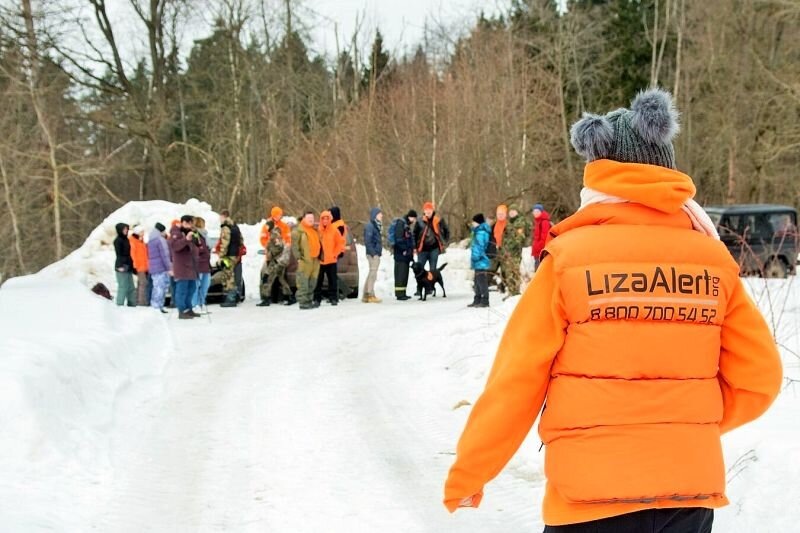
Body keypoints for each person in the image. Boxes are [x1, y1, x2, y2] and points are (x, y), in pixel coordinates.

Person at [444, 88, 783, 532]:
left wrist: (472, 470)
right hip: (686, 493)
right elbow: (760, 378)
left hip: (591, 497)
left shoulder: (568, 261)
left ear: (598, 174)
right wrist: (683, 426)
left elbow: (516, 379)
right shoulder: (713, 261)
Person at [169, 215, 199, 319]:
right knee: (181, 290)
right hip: (181, 266)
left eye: (191, 223)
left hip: (191, 266)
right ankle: (181, 310)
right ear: (183, 223)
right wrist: (186, 239)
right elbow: (175, 246)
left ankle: (188, 308)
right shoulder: (175, 233)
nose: (190, 226)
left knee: (192, 288)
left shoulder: (190, 232)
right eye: (188, 223)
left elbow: (195, 247)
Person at [315, 210, 346, 306]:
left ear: (329, 219)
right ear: (321, 219)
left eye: (327, 218)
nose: (325, 220)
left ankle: (333, 298)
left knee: (332, 280)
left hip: (331, 260)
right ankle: (317, 299)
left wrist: (335, 254)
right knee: (318, 281)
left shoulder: (334, 230)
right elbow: (314, 243)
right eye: (323, 218)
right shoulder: (317, 230)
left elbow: (339, 243)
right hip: (320, 260)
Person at [414, 201, 450, 281]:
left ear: (433, 210)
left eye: (430, 209)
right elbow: (414, 234)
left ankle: (430, 288)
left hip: (434, 249)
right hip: (422, 249)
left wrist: (445, 241)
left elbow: (447, 231)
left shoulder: (438, 220)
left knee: (433, 270)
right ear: (424, 211)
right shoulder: (419, 221)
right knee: (419, 269)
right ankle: (419, 289)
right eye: (426, 209)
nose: (428, 211)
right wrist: (414, 246)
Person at [292, 211, 321, 310]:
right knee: (303, 282)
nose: (311, 220)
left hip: (315, 260)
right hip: (305, 261)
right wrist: (299, 258)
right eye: (309, 218)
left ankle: (309, 300)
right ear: (304, 218)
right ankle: (303, 302)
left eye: (312, 219)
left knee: (312, 282)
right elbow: (295, 246)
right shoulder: (298, 231)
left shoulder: (314, 230)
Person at [218, 209, 242, 308]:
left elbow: (225, 242)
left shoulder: (225, 227)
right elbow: (241, 240)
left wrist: (221, 255)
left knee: (229, 276)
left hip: (228, 255)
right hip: (235, 254)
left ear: (223, 216)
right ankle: (234, 296)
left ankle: (231, 298)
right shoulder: (235, 226)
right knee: (232, 275)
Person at [392, 210, 417, 300]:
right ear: (410, 217)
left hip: (406, 255)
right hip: (401, 254)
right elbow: (399, 239)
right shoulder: (401, 224)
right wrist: (404, 249)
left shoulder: (406, 225)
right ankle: (399, 294)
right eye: (413, 218)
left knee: (404, 274)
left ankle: (403, 292)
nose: (414, 220)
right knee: (400, 274)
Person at [147, 222, 171, 313]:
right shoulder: (160, 240)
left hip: (154, 267)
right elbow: (165, 255)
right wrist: (169, 267)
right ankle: (157, 307)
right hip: (161, 267)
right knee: (161, 288)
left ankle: (156, 306)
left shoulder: (151, 239)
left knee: (156, 287)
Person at [469, 213, 491, 308]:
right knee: (477, 281)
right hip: (478, 260)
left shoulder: (481, 233)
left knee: (481, 281)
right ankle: (477, 298)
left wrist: (475, 256)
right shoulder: (477, 232)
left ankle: (485, 300)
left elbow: (479, 246)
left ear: (478, 222)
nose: (472, 223)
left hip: (481, 259)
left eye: (474, 222)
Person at [363, 207, 383, 303]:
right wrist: (374, 253)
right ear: (375, 215)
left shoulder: (376, 226)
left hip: (375, 253)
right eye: (380, 214)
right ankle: (370, 294)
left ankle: (365, 294)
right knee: (373, 274)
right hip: (373, 254)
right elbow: (368, 241)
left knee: (371, 273)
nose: (381, 216)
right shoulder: (370, 226)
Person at [113, 223, 136, 307]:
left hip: (128, 265)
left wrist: (132, 266)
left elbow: (128, 254)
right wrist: (119, 266)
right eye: (124, 229)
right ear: (120, 230)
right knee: (123, 287)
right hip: (121, 266)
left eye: (127, 229)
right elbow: (119, 255)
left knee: (131, 287)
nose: (126, 230)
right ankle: (119, 305)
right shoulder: (117, 240)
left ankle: (132, 304)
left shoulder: (126, 239)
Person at [192, 217, 211, 312]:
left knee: (205, 285)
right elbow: (193, 248)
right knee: (196, 286)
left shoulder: (204, 235)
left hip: (206, 264)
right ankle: (194, 304)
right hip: (198, 264)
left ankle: (201, 302)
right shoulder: (195, 235)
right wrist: (202, 250)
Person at [129, 226, 149, 306]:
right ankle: (141, 302)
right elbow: (133, 254)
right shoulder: (133, 241)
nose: (143, 233)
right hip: (139, 266)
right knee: (143, 284)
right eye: (141, 231)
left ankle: (138, 300)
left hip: (144, 266)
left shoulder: (141, 241)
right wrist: (135, 265)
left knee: (142, 284)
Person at [531, 203, 552, 271]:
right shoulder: (537, 221)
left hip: (541, 250)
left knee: (539, 269)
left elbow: (544, 237)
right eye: (534, 211)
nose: (535, 213)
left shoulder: (544, 222)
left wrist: (539, 248)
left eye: (537, 211)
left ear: (541, 212)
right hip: (538, 249)